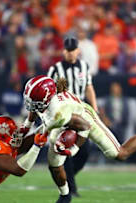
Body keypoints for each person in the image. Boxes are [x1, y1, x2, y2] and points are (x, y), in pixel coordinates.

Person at [22, 75, 136, 203]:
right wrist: (26, 125)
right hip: (63, 121)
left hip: (84, 117)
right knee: (54, 165)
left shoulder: (58, 113)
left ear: (47, 99)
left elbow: (84, 127)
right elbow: (36, 109)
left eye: (33, 101)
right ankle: (65, 196)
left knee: (120, 154)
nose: (30, 104)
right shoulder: (46, 101)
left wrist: (74, 149)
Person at [47, 36, 98, 198]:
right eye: (67, 50)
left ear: (78, 50)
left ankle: (67, 178)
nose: (70, 53)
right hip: (64, 112)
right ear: (64, 51)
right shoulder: (55, 68)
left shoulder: (84, 66)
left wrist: (94, 108)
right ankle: (71, 188)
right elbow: (49, 89)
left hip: (81, 110)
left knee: (84, 152)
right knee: (66, 147)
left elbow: (89, 87)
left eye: (72, 50)